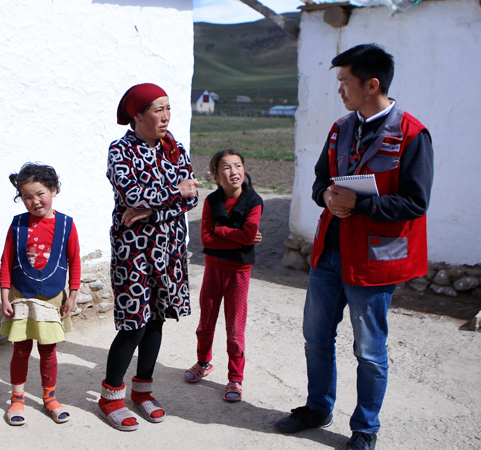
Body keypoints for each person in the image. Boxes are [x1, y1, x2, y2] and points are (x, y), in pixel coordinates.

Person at [274, 44, 433, 450]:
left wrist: (361, 204)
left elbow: (416, 202)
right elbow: (319, 181)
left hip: (374, 261)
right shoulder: (340, 128)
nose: (340, 90)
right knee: (316, 336)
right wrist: (325, 197)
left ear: (371, 84)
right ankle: (317, 407)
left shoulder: (412, 134)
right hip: (330, 253)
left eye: (345, 81)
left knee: (369, 350)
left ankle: (365, 427)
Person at [98, 83, 199, 431]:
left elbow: (192, 198)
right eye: (158, 109)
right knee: (134, 323)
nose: (166, 116)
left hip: (169, 250)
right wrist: (174, 191)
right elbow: (131, 193)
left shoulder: (175, 149)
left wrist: (153, 211)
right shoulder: (120, 150)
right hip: (134, 252)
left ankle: (142, 390)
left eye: (168, 108)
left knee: (157, 318)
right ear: (137, 115)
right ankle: (111, 396)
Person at [0, 163, 80, 426]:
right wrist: (3, 296)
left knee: (48, 349)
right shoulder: (17, 225)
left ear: (53, 190)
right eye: (27, 197)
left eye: (40, 193)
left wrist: (72, 295)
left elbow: (75, 261)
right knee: (21, 349)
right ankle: (18, 398)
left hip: (53, 297)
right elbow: (5, 261)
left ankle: (50, 398)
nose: (34, 202)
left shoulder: (67, 225)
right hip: (21, 295)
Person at [183, 149, 263, 402]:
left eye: (237, 166)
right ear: (217, 176)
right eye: (226, 168)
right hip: (213, 269)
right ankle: (203, 362)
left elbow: (249, 235)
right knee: (205, 322)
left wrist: (222, 231)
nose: (233, 172)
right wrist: (239, 237)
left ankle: (235, 379)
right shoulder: (211, 201)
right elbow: (205, 239)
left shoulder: (254, 200)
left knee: (235, 329)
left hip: (239, 273)